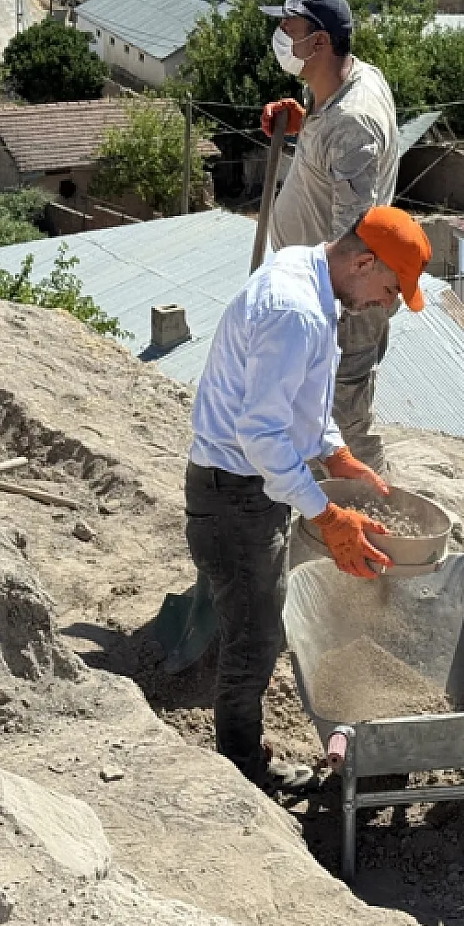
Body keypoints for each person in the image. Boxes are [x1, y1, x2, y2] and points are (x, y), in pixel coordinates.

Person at [185, 207, 432, 794]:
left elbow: (299, 403)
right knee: (255, 632)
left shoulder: (311, 273)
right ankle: (242, 767)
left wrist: (333, 451)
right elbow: (262, 435)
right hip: (233, 493)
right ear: (364, 261)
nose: (387, 303)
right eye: (389, 288)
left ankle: (241, 748)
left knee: (260, 618)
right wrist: (327, 513)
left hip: (250, 487)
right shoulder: (294, 310)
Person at [260, 0, 401, 475]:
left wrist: (321, 312)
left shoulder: (352, 122)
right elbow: (335, 153)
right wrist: (304, 124)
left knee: (343, 426)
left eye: (288, 29)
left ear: (319, 42)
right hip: (320, 292)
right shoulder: (343, 87)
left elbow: (354, 237)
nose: (280, 35)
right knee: (313, 416)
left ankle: (372, 515)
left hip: (342, 303)